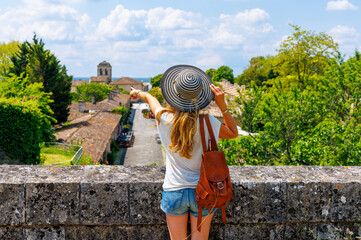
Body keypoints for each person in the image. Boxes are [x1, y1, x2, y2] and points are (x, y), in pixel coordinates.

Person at [130, 65, 238, 240]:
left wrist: (137, 93)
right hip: (204, 191)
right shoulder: (208, 121)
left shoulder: (164, 119)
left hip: (174, 190)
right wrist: (222, 105)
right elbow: (233, 133)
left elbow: (149, 98)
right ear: (200, 97)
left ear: (173, 95)